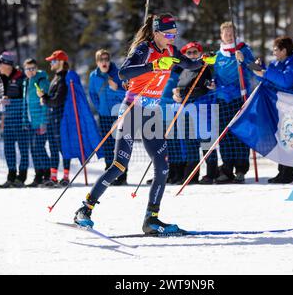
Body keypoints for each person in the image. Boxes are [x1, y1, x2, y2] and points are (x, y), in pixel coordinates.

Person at [73, 13, 216, 234]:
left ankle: (151, 219)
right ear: (156, 33)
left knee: (162, 166)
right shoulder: (143, 49)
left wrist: (203, 61)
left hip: (151, 113)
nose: (171, 38)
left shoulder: (170, 50)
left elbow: (188, 63)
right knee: (119, 166)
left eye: (174, 34)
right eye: (168, 34)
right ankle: (85, 209)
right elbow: (123, 73)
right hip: (132, 109)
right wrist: (154, 65)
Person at [251, 36, 293, 184]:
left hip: (291, 105)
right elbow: (267, 80)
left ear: (284, 50)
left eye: (275, 50)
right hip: (278, 105)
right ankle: (282, 172)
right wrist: (257, 69)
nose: (273, 53)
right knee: (281, 138)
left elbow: (287, 81)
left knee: (289, 138)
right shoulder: (275, 64)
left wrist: (265, 73)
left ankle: (288, 173)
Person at [171, 41, 219, 185]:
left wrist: (209, 85)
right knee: (189, 142)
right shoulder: (183, 70)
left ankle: (211, 173)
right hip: (186, 109)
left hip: (201, 107)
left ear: (199, 53)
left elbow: (206, 85)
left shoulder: (203, 67)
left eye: (195, 52)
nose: (192, 55)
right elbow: (178, 87)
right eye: (189, 53)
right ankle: (191, 175)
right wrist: (176, 94)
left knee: (206, 141)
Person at [213, 22, 255, 184]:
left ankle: (240, 169)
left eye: (231, 34)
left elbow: (254, 67)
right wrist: (212, 83)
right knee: (225, 134)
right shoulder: (218, 55)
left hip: (240, 97)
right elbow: (214, 76)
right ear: (221, 36)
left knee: (240, 133)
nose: (229, 36)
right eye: (226, 34)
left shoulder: (243, 49)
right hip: (223, 98)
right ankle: (227, 169)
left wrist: (244, 60)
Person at [88, 49, 127, 185]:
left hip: (118, 114)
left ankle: (122, 175)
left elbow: (127, 93)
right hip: (104, 115)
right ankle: (109, 174)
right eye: (101, 60)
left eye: (106, 59)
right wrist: (100, 108)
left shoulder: (118, 74)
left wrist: (116, 89)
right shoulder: (93, 76)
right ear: (97, 62)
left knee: (119, 145)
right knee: (107, 144)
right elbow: (92, 94)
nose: (104, 62)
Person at [37, 50, 71, 187]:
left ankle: (66, 177)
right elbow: (52, 99)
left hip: (60, 119)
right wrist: (44, 97)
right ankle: (53, 177)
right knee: (52, 147)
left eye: (53, 61)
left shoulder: (64, 78)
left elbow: (57, 101)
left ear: (61, 62)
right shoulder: (56, 77)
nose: (51, 63)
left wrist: (44, 98)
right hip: (52, 118)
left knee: (62, 148)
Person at [0, 51, 30, 188]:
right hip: (8, 119)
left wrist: (10, 100)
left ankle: (21, 178)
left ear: (7, 64)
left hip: (20, 119)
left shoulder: (21, 77)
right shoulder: (0, 78)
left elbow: (24, 97)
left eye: (0, 63)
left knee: (23, 149)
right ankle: (11, 177)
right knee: (8, 149)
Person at [23, 58, 51, 187]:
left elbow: (44, 102)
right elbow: (25, 103)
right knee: (33, 149)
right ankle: (38, 175)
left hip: (40, 121)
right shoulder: (26, 83)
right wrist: (25, 119)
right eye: (28, 69)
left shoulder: (41, 80)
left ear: (36, 68)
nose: (31, 71)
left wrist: (43, 122)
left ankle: (47, 174)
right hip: (30, 121)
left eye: (33, 68)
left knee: (39, 147)